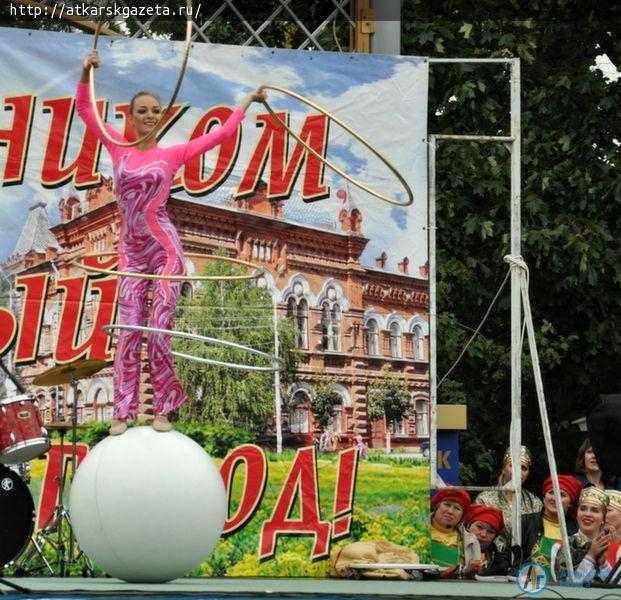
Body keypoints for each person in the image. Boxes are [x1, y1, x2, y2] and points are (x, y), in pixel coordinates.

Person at [77, 50, 266, 436]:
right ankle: (123, 411)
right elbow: (85, 110)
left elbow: (221, 136)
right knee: (129, 331)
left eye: (155, 111)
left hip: (165, 251)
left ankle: (162, 409)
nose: (149, 115)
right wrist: (86, 69)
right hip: (131, 252)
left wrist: (246, 102)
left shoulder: (172, 154)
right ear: (130, 118)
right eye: (142, 110)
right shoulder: (117, 147)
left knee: (159, 330)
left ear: (161, 118)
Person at [551, 487, 621, 584]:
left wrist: (603, 564)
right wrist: (591, 557)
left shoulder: (616, 549)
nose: (587, 514)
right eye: (583, 509)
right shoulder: (560, 546)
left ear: (604, 518)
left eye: (595, 510)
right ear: (577, 514)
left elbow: (617, 589)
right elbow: (566, 587)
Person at [475, 445, 542, 542]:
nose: (518, 472)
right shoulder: (484, 499)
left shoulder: (535, 503)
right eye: (513, 465)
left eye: (523, 468)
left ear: (527, 474)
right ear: (503, 469)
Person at [521, 474, 582, 579]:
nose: (555, 498)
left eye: (562, 495)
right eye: (551, 493)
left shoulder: (576, 529)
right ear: (544, 497)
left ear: (570, 503)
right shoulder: (525, 522)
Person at [430, 489, 481, 578]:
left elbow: (472, 577)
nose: (450, 511)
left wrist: (465, 572)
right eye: (447, 505)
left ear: (462, 516)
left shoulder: (471, 541)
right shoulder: (415, 529)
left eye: (457, 508)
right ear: (436, 506)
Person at [464, 504, 511, 576]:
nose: (483, 534)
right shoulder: (453, 545)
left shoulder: (496, 556)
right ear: (468, 525)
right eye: (479, 527)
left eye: (490, 532)